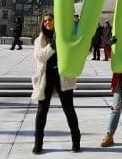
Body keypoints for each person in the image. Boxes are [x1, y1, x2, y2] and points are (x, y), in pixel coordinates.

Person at [31, 13, 80, 154]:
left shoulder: (65, 36)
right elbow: (40, 56)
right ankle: (38, 143)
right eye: (45, 20)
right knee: (42, 111)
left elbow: (78, 51)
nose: (47, 22)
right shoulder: (40, 40)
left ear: (55, 21)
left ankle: (76, 141)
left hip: (62, 77)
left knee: (69, 109)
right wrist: (53, 45)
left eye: (50, 20)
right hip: (46, 78)